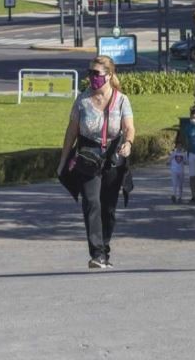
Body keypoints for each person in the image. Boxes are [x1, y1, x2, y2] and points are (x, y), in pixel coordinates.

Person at [57, 56, 135, 269]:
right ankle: (97, 253)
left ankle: (105, 248)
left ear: (109, 75)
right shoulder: (82, 100)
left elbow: (129, 127)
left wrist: (127, 143)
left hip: (112, 158)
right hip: (88, 158)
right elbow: (71, 132)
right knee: (92, 203)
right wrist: (63, 161)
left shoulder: (121, 100)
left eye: (97, 74)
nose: (92, 77)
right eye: (90, 73)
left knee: (108, 208)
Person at [168, 139, 187, 203]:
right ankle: (174, 195)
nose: (179, 147)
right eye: (178, 145)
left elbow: (186, 161)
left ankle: (180, 197)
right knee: (174, 184)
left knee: (180, 184)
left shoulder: (184, 153)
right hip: (174, 170)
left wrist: (185, 161)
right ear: (176, 146)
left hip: (181, 171)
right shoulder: (173, 152)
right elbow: (169, 160)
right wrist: (168, 162)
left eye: (180, 146)